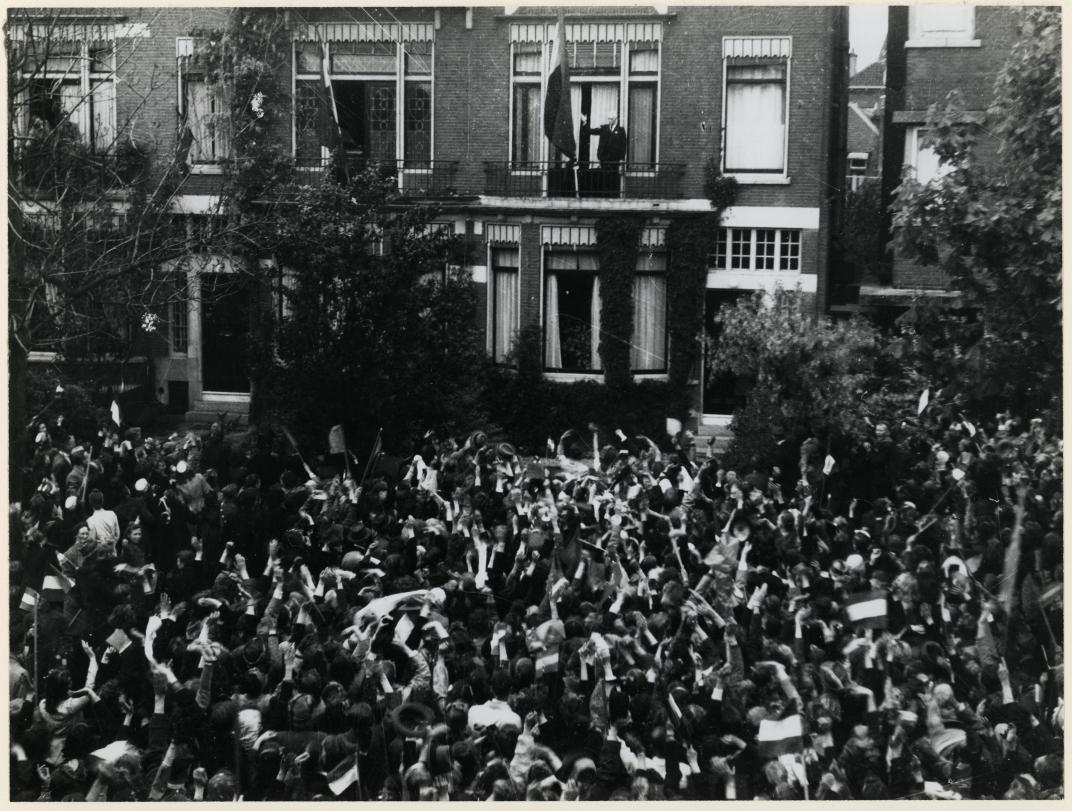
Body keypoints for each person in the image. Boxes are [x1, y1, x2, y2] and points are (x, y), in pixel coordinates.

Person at [581, 113, 628, 196]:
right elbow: (591, 131)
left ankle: (613, 196)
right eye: (608, 119)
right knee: (604, 178)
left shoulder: (620, 130)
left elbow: (623, 146)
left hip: (614, 160)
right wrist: (585, 122)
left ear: (615, 119)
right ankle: (605, 195)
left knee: (613, 178)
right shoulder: (604, 128)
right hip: (604, 159)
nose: (609, 120)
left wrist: (621, 158)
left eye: (611, 119)